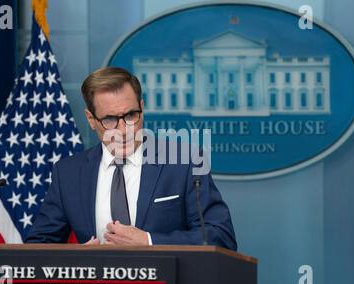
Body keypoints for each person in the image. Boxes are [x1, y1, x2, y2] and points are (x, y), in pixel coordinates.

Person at [26, 67, 237, 250]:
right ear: (91, 119)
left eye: (130, 116)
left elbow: (221, 236)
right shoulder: (69, 173)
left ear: (142, 108)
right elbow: (37, 245)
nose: (123, 130)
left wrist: (148, 241)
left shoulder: (184, 162)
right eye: (109, 119)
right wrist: (76, 258)